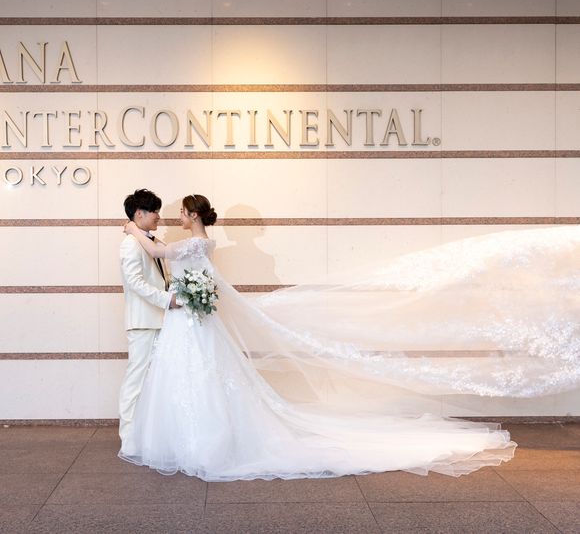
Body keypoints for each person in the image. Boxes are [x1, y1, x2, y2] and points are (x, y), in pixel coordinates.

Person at [119, 194, 580, 480]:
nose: (174, 217)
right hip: (188, 317)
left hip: (188, 317)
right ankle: (195, 436)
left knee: (196, 375)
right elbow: (169, 256)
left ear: (192, 215)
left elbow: (161, 250)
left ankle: (197, 439)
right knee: (197, 375)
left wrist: (131, 231)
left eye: (180, 212)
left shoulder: (191, 243)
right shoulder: (205, 243)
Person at [118, 189, 179, 443]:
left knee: (158, 380)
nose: (158, 216)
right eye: (154, 211)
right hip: (143, 323)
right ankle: (128, 437)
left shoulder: (149, 242)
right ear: (139, 214)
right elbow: (135, 282)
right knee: (137, 379)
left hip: (161, 321)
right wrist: (167, 300)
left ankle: (151, 435)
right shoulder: (130, 244)